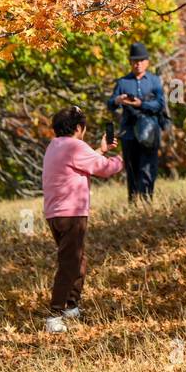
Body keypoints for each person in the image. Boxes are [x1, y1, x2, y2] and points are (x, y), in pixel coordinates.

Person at [41, 106, 123, 333]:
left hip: (55, 214)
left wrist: (101, 149)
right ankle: (54, 314)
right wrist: (122, 160)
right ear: (78, 128)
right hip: (72, 213)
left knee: (78, 259)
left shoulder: (54, 146)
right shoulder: (75, 146)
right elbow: (103, 169)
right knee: (69, 263)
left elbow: (82, 162)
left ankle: (71, 306)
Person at [108, 41, 165, 203]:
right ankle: (133, 201)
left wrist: (142, 104)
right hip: (129, 131)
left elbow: (160, 104)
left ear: (147, 62)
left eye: (141, 60)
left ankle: (147, 199)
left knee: (149, 167)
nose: (137, 64)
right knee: (132, 168)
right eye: (134, 61)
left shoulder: (154, 81)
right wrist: (118, 100)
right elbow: (110, 104)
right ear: (130, 62)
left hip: (150, 130)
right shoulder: (123, 82)